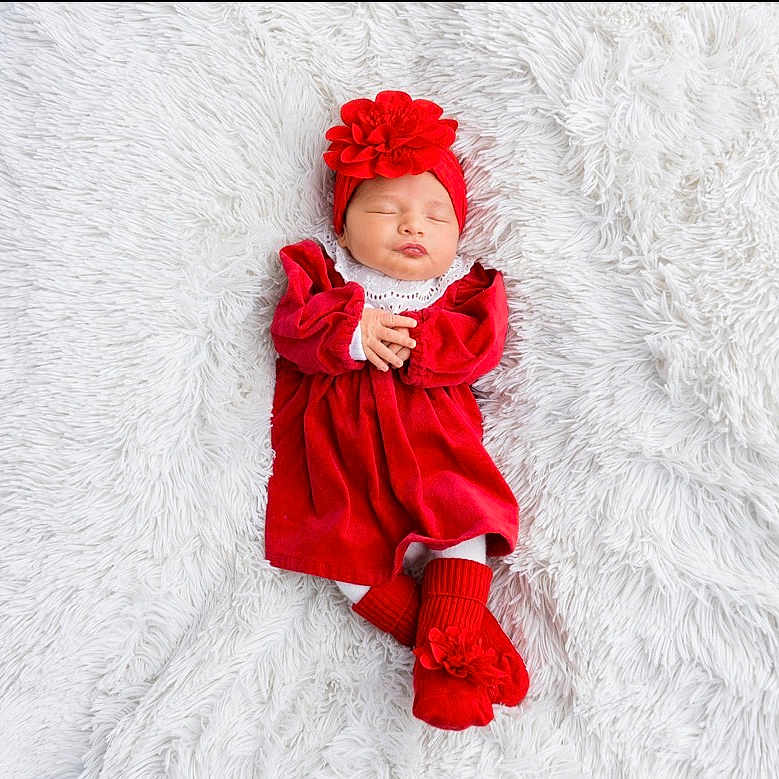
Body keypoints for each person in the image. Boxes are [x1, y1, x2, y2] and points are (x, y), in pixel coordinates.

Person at [265, 90, 529, 730]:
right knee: (340, 557)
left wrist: (422, 342)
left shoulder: (460, 288)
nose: (414, 226)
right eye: (385, 209)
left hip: (435, 443)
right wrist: (350, 330)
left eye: (437, 216)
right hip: (338, 457)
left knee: (463, 524)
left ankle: (447, 665)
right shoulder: (323, 275)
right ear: (343, 226)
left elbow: (482, 344)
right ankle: (455, 646)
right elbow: (291, 331)